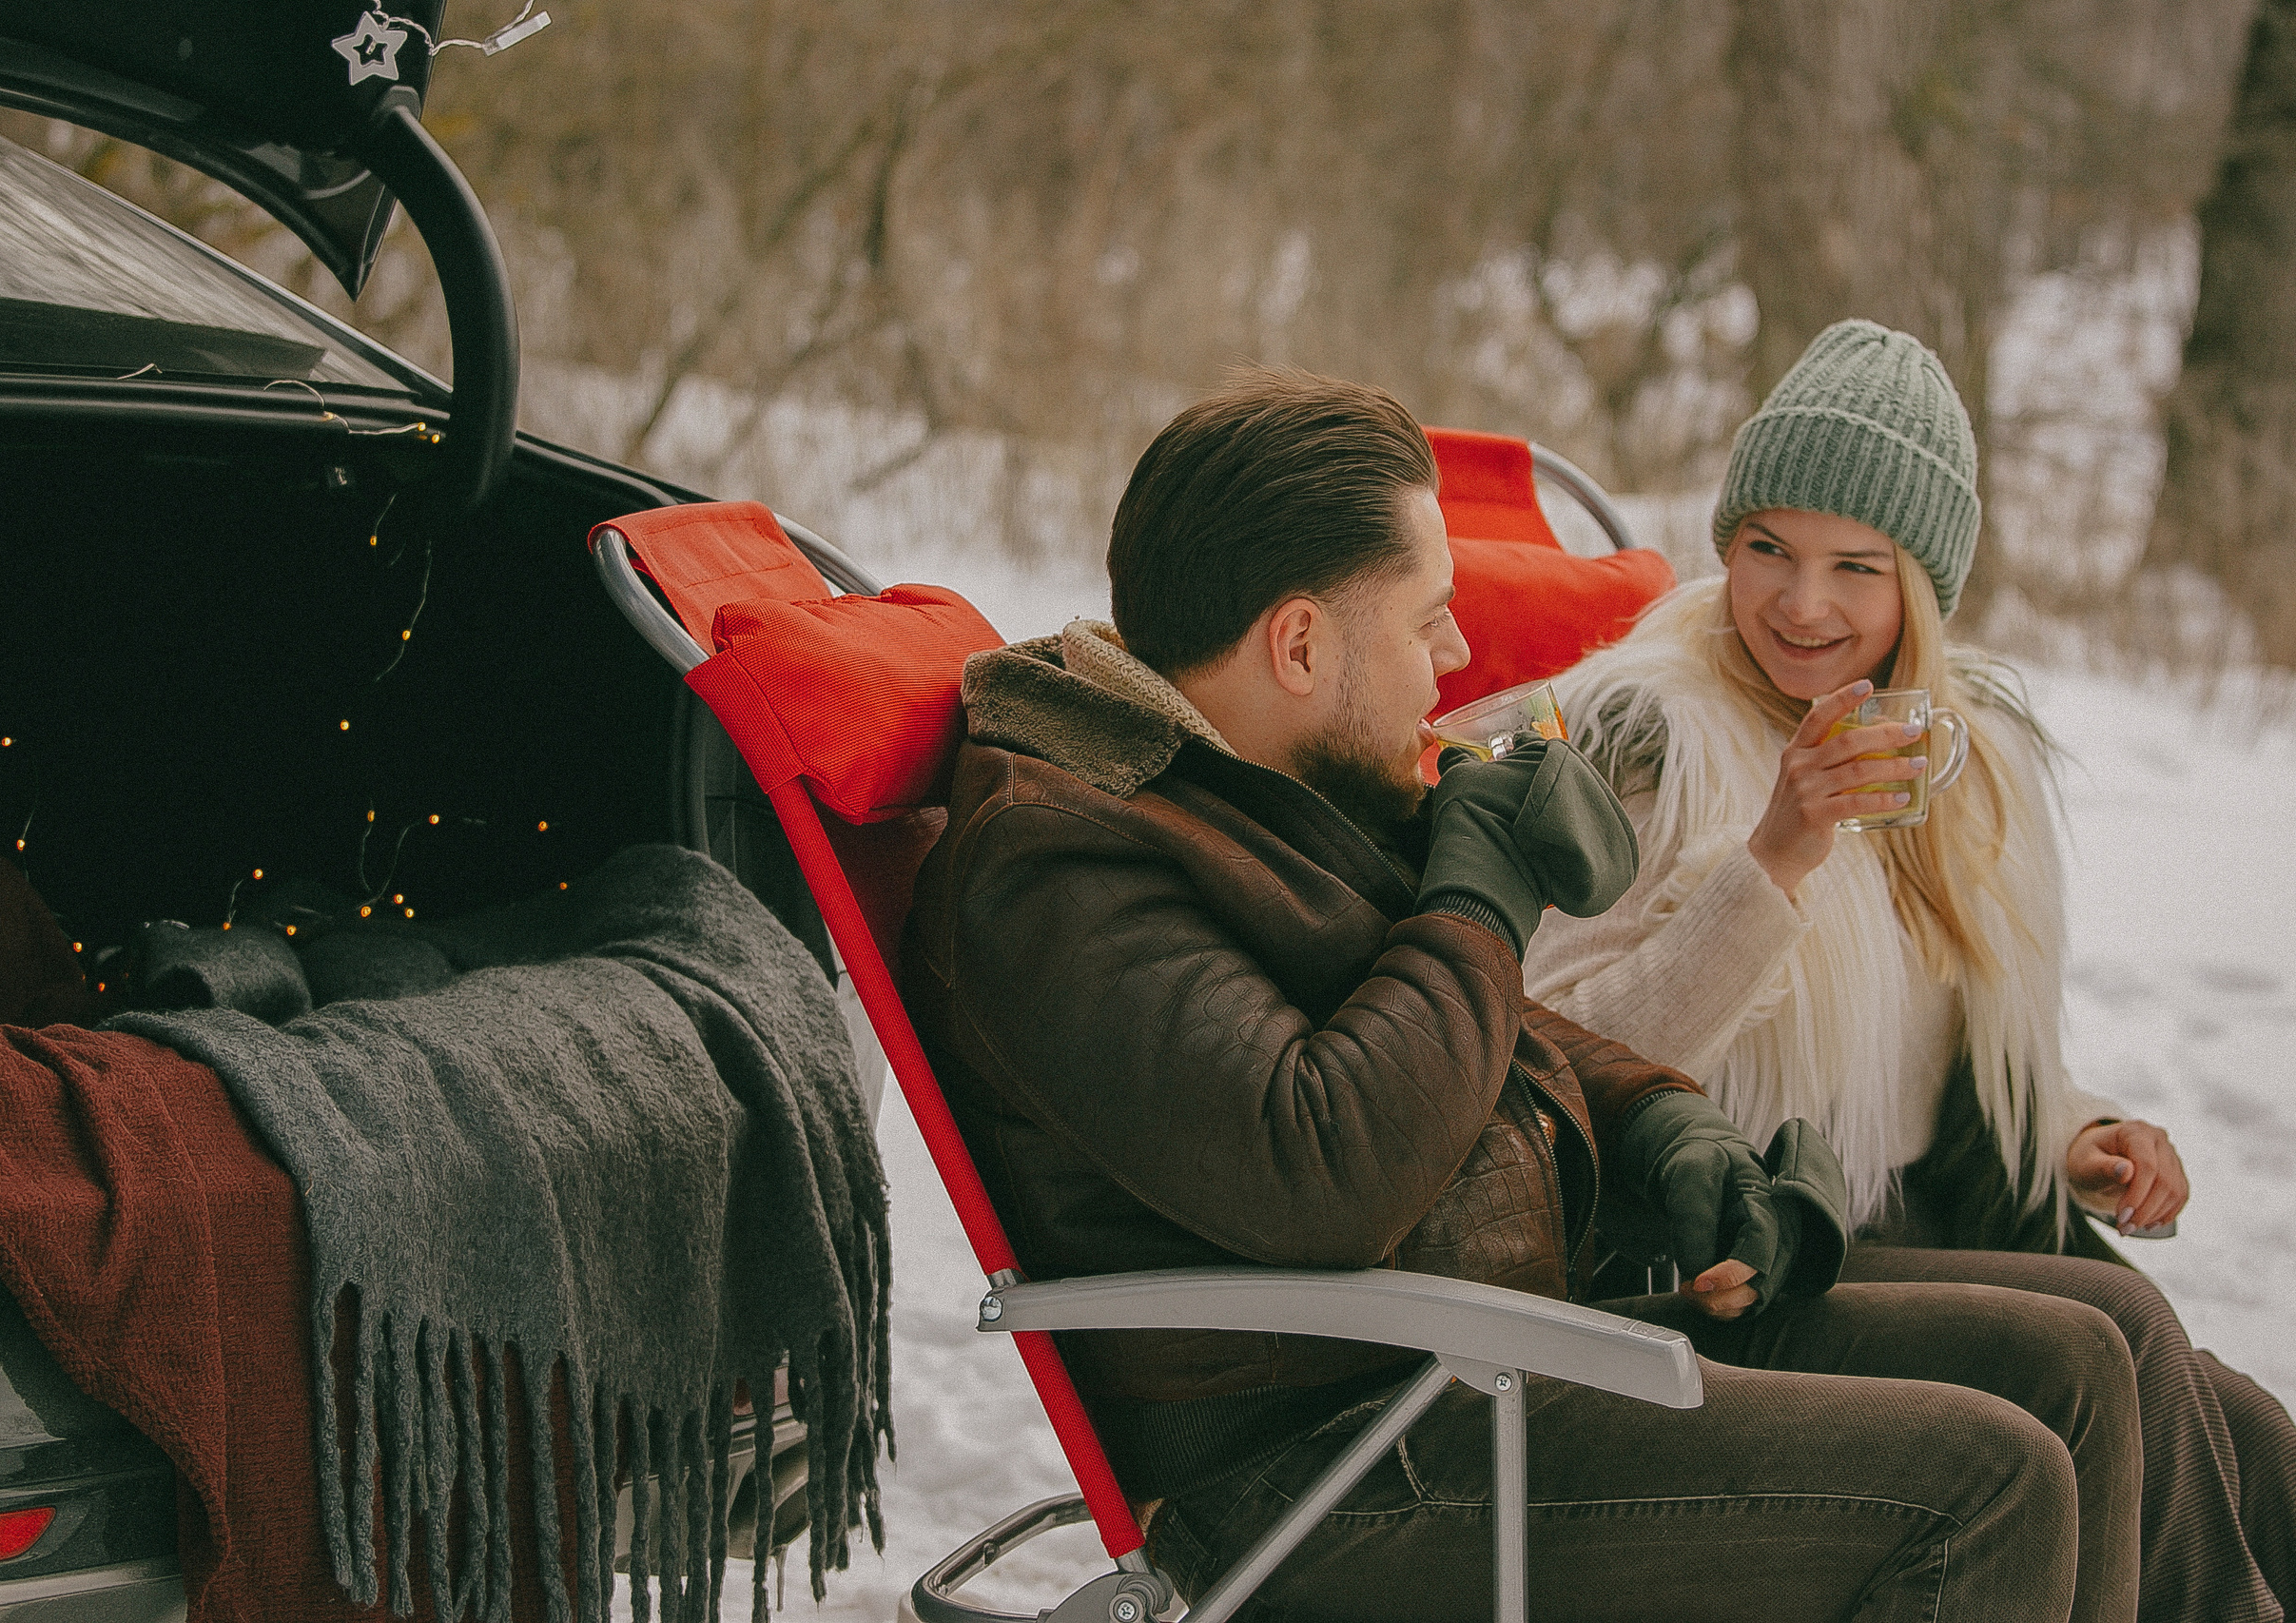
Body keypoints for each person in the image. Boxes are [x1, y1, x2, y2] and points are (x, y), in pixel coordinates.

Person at [905, 365, 2142, 1621]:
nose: (1454, 655)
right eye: (1427, 616)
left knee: (2073, 1361)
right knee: (1987, 1484)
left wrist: (1667, 1129)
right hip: (1334, 1458)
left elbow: (1491, 1025)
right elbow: (1323, 1158)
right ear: (1298, 643)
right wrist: (1475, 898)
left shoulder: (1253, 776)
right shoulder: (1059, 868)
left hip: (1480, 1351)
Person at [1529, 317, 2294, 1622]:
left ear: (1920, 591)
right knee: (2124, 1341)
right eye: (1766, 546)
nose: (1802, 603)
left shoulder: (1950, 761)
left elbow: (1921, 1064)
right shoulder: (1651, 737)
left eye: (1855, 566)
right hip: (1725, 1246)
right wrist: (1772, 857)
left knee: (2250, 1437)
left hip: (1896, 1219)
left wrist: (2073, 1130)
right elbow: (1551, 1051)